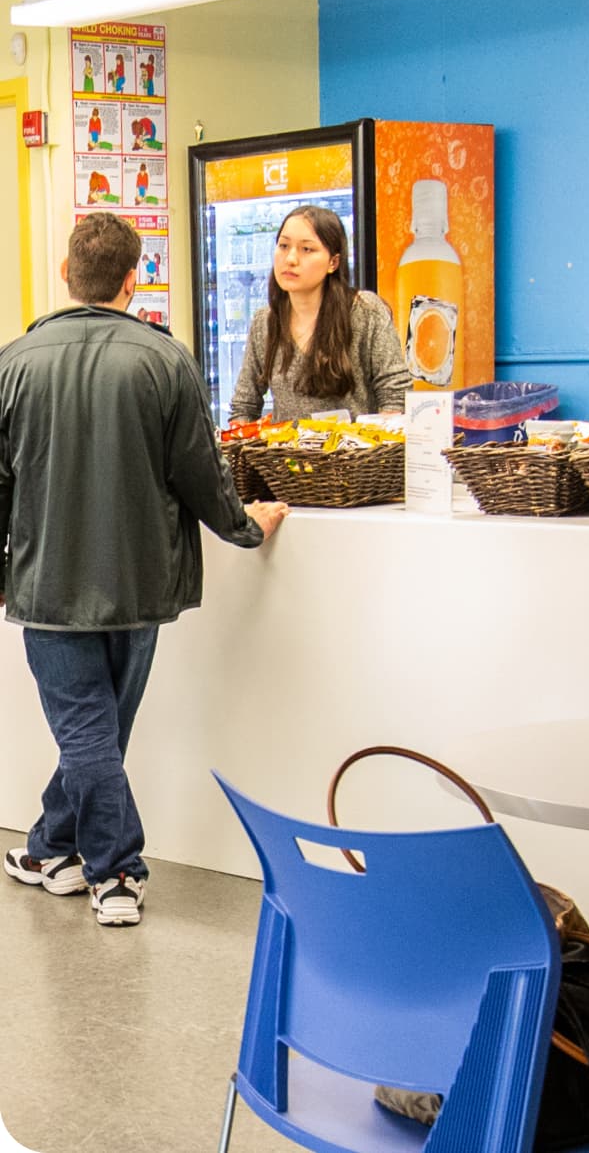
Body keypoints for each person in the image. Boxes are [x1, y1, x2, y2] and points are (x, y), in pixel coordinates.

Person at [0, 213, 289, 927]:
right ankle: (52, 850)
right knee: (99, 733)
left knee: (89, 734)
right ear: (136, 281)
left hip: (47, 584)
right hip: (141, 581)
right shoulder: (167, 359)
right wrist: (247, 528)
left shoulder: (13, 362)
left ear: (66, 274)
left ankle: (113, 875)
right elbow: (201, 472)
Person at [229, 205, 411, 424]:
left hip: (354, 456)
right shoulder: (265, 322)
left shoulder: (366, 312)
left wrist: (378, 446)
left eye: (307, 249)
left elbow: (395, 394)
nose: (291, 259)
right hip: (284, 456)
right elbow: (244, 405)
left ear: (333, 262)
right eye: (284, 246)